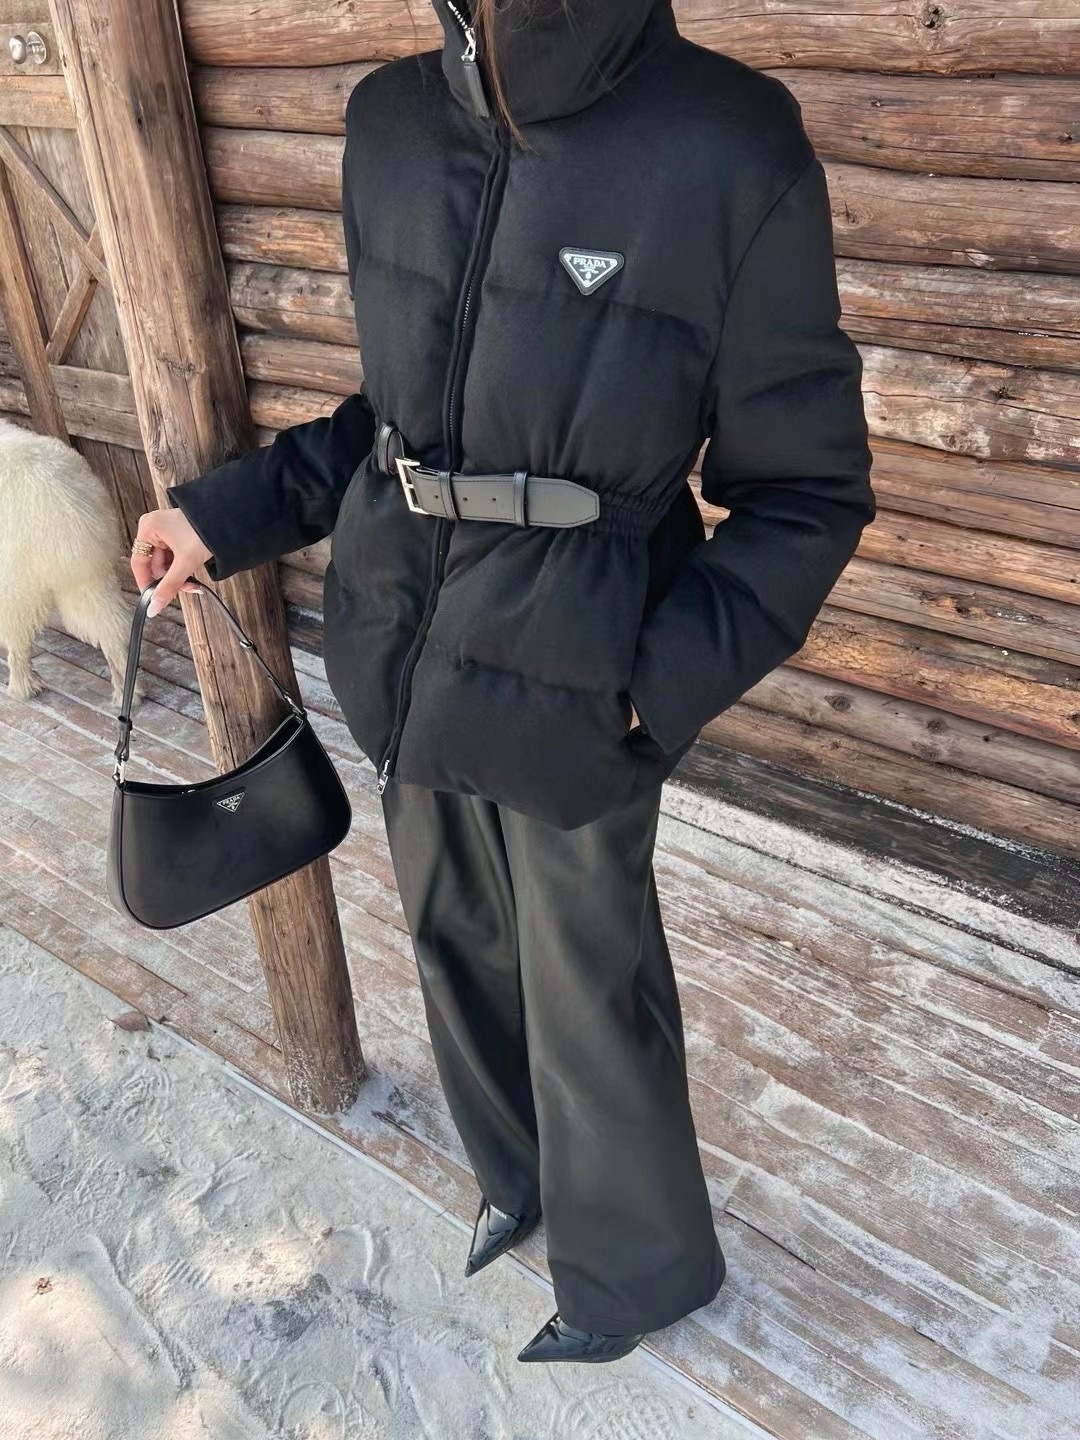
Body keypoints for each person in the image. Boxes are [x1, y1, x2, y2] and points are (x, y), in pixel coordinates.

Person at [131, 0, 875, 1364]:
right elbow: (392, 422)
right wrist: (216, 518)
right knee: (454, 935)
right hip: (400, 636)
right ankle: (515, 1179)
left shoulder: (726, 141)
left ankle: (635, 1275)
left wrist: (649, 685)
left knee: (590, 984)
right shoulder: (390, 121)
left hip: (582, 668)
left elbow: (807, 493)